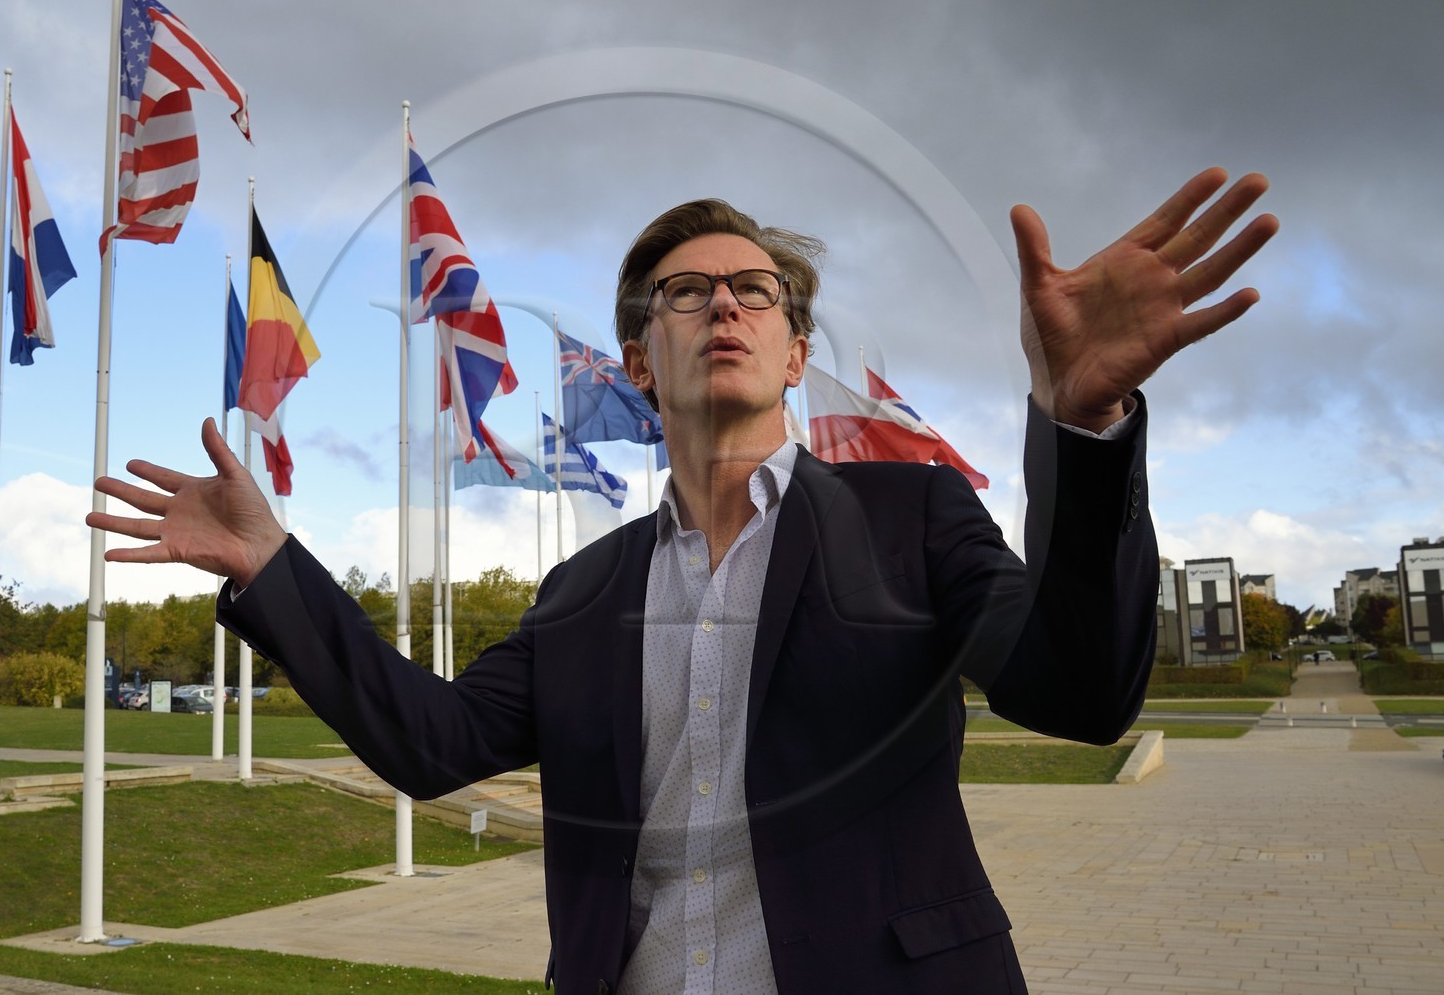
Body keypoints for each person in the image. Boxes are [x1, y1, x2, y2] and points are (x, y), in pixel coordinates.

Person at [88, 167, 1275, 993]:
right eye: (686, 292)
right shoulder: (581, 592)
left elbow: (1081, 691)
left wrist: (1084, 419)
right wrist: (274, 564)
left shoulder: (911, 518)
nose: (722, 302)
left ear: (795, 353)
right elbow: (433, 740)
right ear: (640, 364)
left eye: (755, 290)